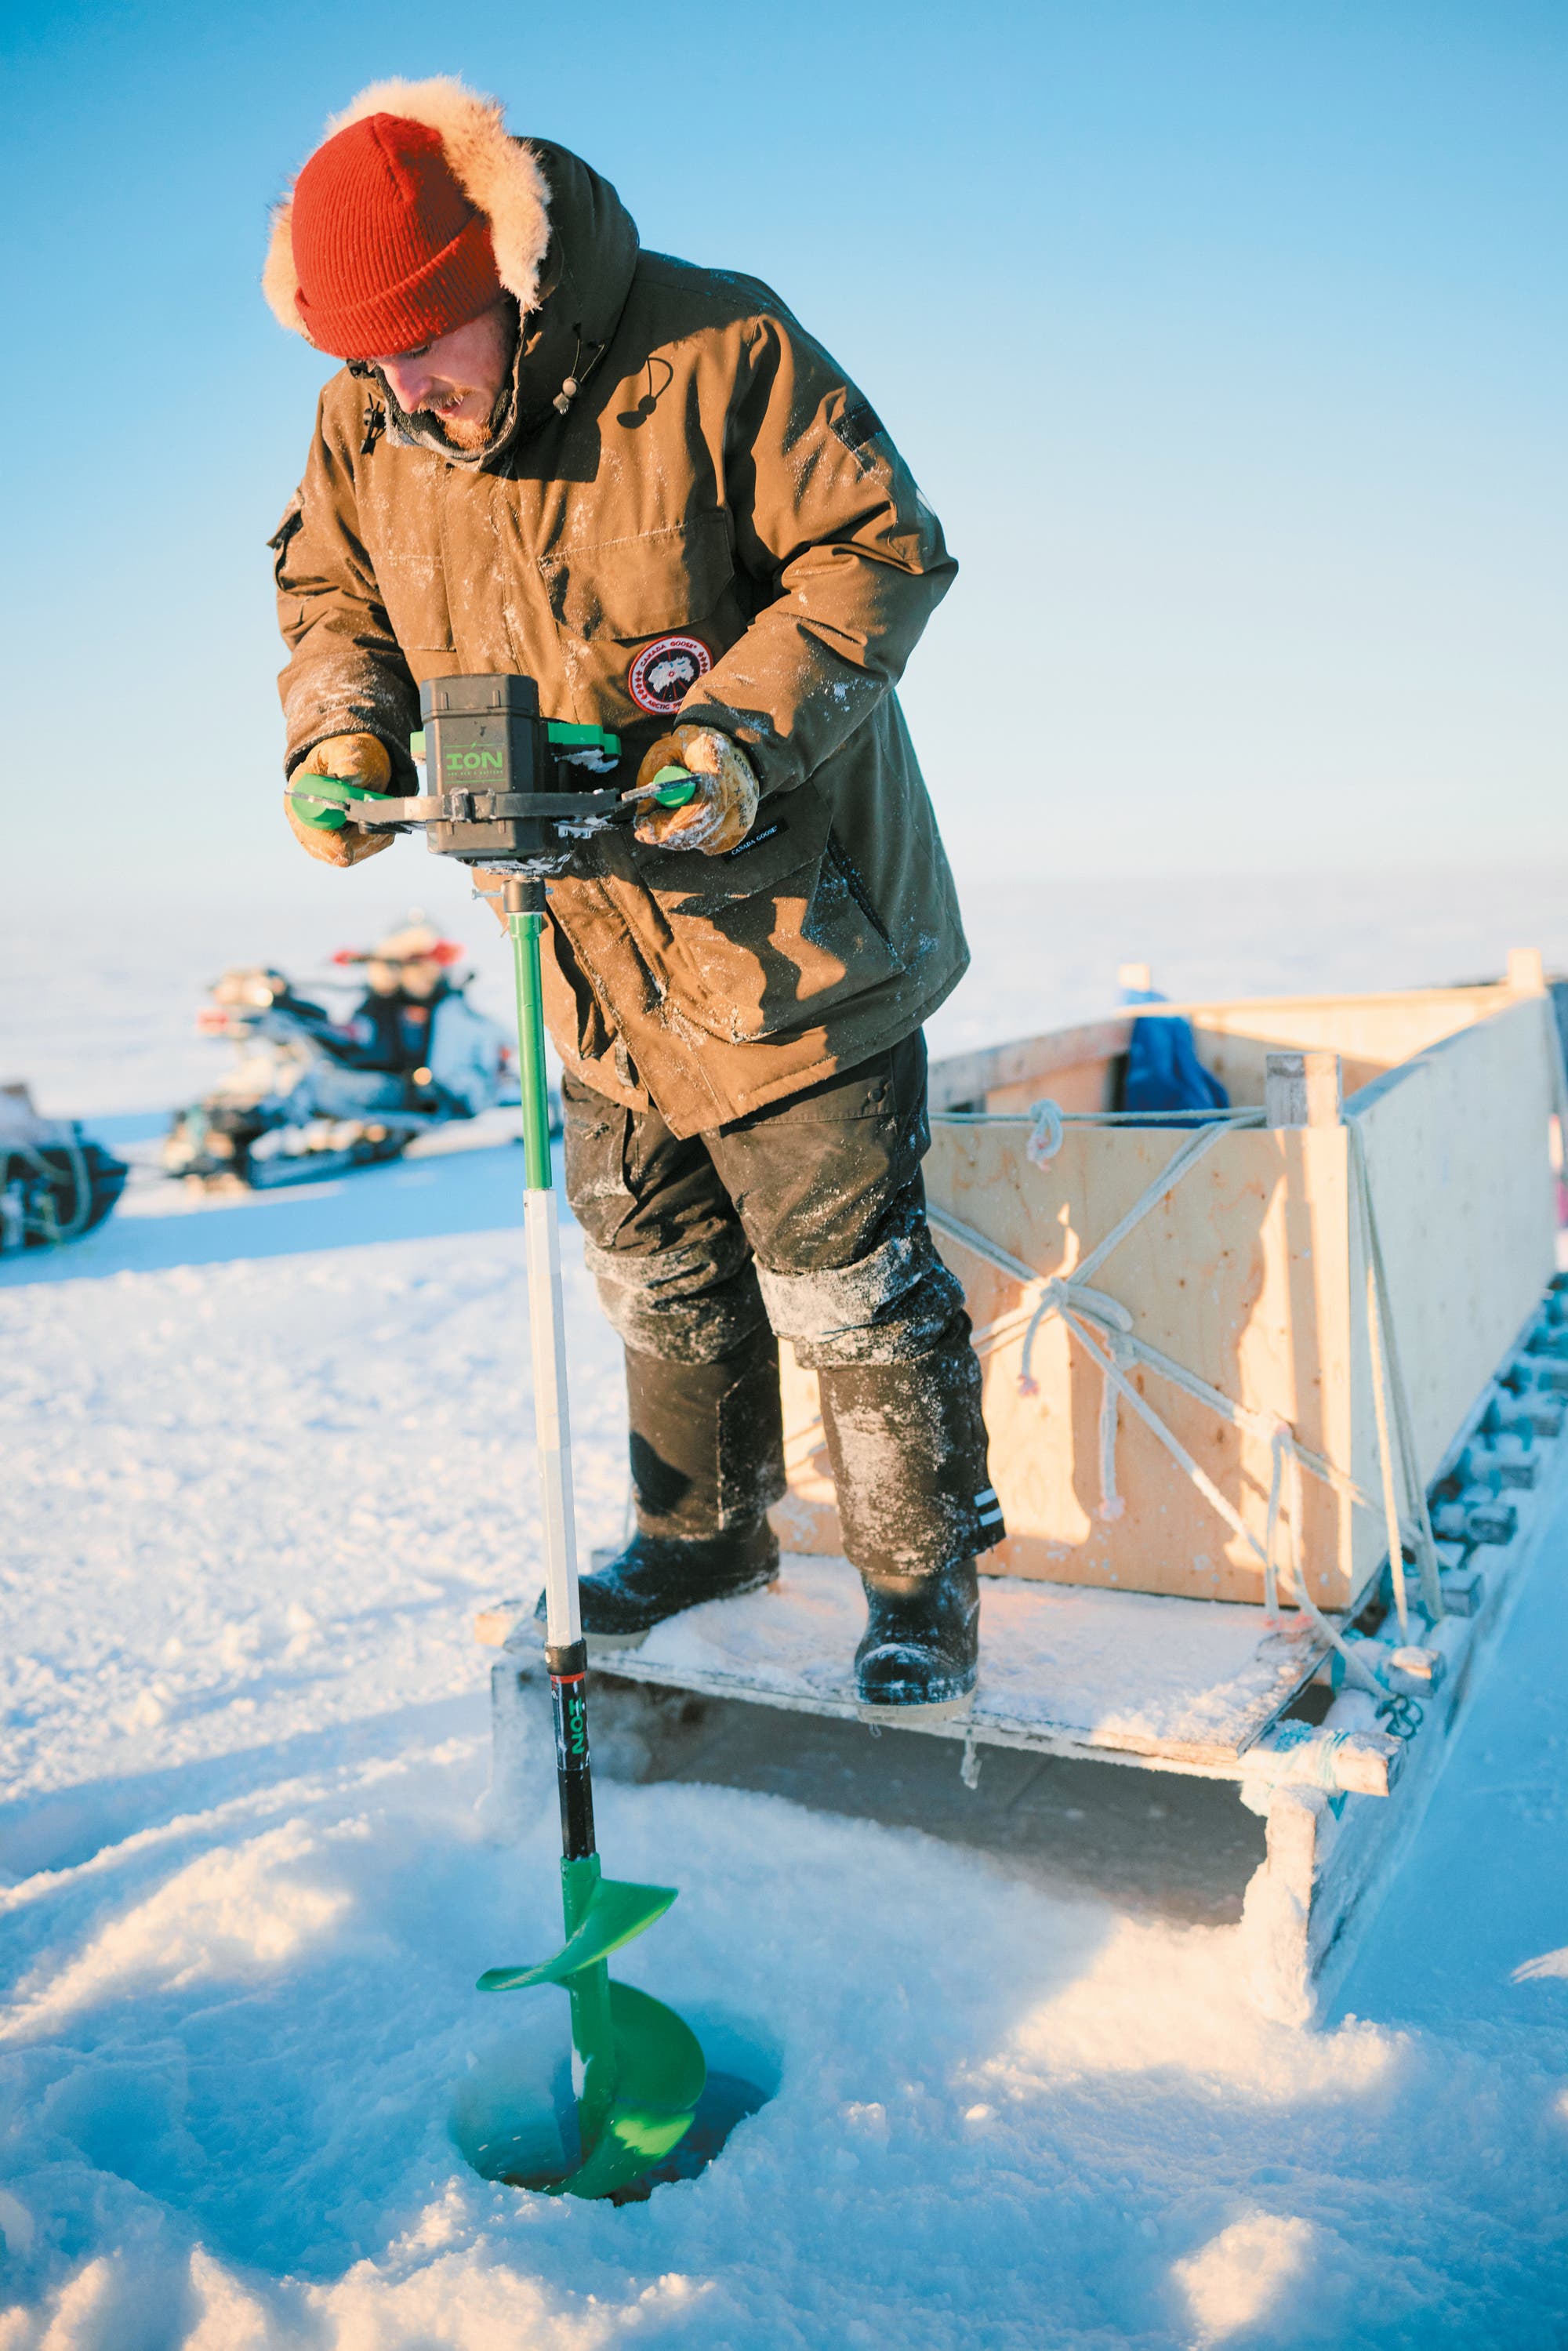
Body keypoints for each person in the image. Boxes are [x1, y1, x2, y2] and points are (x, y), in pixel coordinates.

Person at [264, 77, 1003, 1711]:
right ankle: (704, 1540)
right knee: (652, 1256)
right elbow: (329, 589)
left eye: (420, 343)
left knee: (838, 1269)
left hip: (787, 919)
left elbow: (878, 550)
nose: (394, 386)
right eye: (358, 360)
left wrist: (735, 736)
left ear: (504, 284)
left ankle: (917, 1576)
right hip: (578, 937)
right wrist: (341, 725)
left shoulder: (716, 348)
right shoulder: (365, 418)